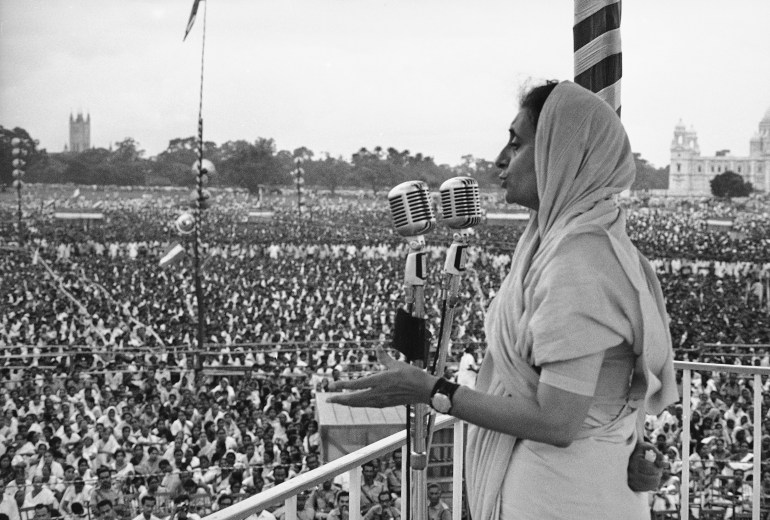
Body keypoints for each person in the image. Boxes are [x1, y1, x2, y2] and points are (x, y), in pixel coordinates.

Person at [327, 80, 678, 519]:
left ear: (559, 152)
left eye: (518, 143)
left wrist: (430, 389)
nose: (499, 160)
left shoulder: (580, 259)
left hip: (563, 496)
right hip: (580, 482)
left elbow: (558, 421)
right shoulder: (565, 241)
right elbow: (606, 382)